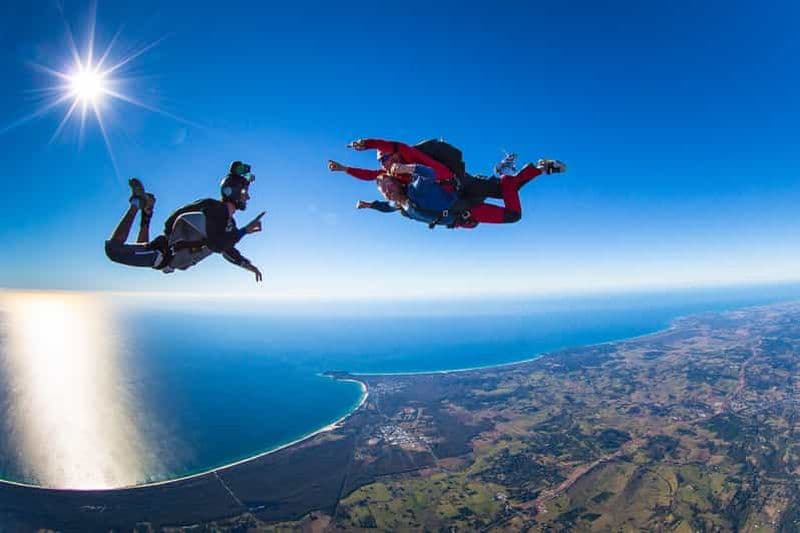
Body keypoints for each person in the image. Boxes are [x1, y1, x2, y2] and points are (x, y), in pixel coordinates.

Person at [104, 161, 264, 281]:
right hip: (163, 254)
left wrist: (248, 265)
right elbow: (218, 245)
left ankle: (147, 211)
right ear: (233, 192)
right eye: (244, 192)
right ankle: (136, 203)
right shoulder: (216, 209)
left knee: (143, 244)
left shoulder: (227, 223)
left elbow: (227, 248)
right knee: (113, 251)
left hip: (166, 256)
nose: (247, 197)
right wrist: (245, 231)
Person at [355, 159, 561, 229]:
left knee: (513, 213)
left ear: (399, 185)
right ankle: (539, 168)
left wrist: (405, 169)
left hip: (468, 206)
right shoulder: (399, 206)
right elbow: (385, 207)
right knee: (505, 193)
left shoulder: (415, 189)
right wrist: (369, 205)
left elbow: (429, 172)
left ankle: (506, 175)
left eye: (390, 186)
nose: (388, 192)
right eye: (385, 191)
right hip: (464, 217)